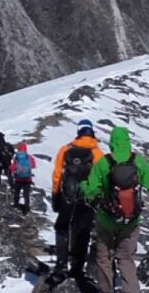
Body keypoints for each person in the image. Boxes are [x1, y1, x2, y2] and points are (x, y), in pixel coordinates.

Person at [81, 126, 149, 293]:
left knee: (104, 258)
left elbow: (90, 190)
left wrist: (83, 184)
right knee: (126, 258)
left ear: (111, 143)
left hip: (106, 219)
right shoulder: (137, 161)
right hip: (130, 221)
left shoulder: (104, 163)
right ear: (127, 142)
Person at [51, 118, 105, 280]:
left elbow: (57, 175)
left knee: (62, 227)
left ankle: (61, 265)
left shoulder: (65, 150)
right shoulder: (96, 153)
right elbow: (103, 177)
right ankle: (77, 267)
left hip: (68, 195)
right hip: (87, 198)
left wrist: (55, 195)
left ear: (78, 132)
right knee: (82, 230)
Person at [10, 142, 36, 212]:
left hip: (18, 178)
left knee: (17, 192)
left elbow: (13, 167)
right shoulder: (29, 157)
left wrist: (12, 170)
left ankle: (16, 205)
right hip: (27, 178)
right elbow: (33, 165)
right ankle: (27, 207)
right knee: (26, 194)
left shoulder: (17, 157)